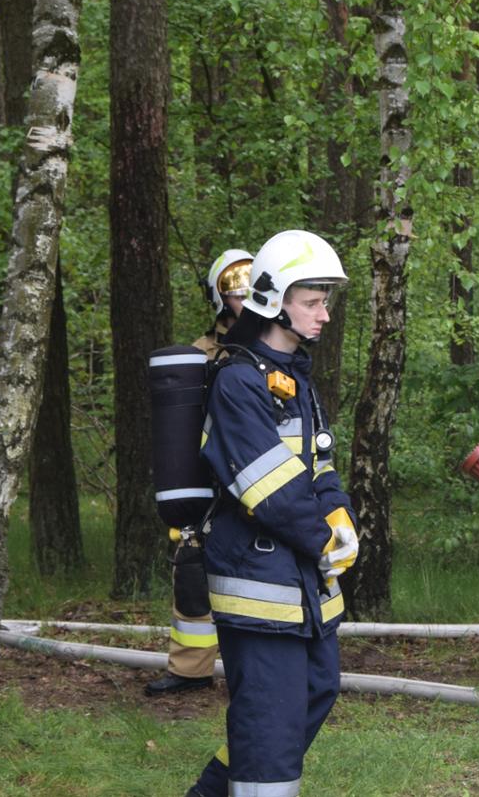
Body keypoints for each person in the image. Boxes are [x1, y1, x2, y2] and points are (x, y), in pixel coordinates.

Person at [187, 230, 359, 797]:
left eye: (324, 301)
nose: (324, 315)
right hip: (259, 587)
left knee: (314, 692)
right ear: (271, 301)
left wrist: (339, 514)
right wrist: (323, 538)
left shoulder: (294, 379)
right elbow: (270, 489)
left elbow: (320, 462)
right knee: (269, 725)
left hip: (303, 583)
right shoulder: (238, 381)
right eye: (311, 302)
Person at [147, 248, 254, 698]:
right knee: (193, 569)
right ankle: (190, 669)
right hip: (207, 477)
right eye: (236, 292)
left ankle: (259, 668)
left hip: (256, 474)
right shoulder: (197, 356)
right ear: (219, 297)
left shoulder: (276, 351)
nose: (245, 301)